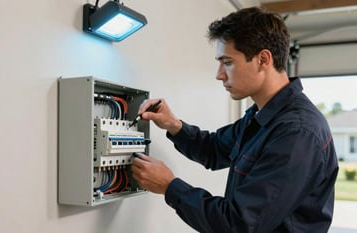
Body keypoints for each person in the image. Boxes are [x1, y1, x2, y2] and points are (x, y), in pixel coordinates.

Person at [131, 6, 339, 233]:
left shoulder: (297, 132)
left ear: (263, 59)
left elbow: (238, 224)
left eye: (227, 62)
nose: (219, 74)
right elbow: (216, 149)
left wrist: (169, 186)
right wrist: (174, 126)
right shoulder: (262, 114)